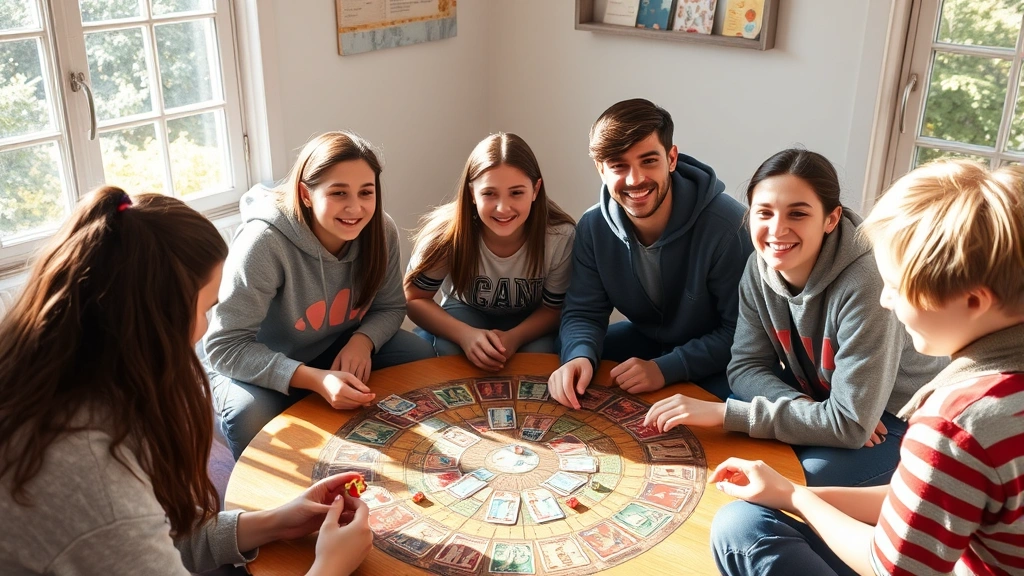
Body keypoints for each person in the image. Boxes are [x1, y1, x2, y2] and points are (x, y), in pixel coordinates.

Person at [0, 187, 373, 575]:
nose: (204, 328)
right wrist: (330, 566)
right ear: (159, 318)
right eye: (206, 308)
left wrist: (278, 520)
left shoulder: (69, 388)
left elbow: (157, 536)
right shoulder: (89, 474)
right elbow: (119, 529)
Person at [708, 160, 1024, 575]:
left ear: (973, 301)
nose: (885, 302)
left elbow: (893, 566)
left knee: (741, 527)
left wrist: (800, 498)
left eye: (896, 287)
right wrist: (789, 493)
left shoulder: (957, 423)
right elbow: (924, 501)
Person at [642, 149, 946, 487]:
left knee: (795, 475)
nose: (777, 230)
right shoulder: (759, 268)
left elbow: (851, 426)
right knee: (732, 436)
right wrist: (808, 407)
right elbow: (744, 367)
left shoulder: (867, 282)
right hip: (827, 399)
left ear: (831, 219)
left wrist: (726, 414)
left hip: (898, 420)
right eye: (764, 213)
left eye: (797, 214)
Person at [204, 131, 435, 458]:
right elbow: (225, 346)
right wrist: (314, 379)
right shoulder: (263, 243)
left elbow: (390, 306)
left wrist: (363, 341)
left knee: (418, 355)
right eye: (338, 192)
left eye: (366, 192)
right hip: (257, 361)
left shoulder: (381, 230)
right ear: (306, 194)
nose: (354, 207)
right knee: (247, 416)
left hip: (334, 345)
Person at [549, 98, 751, 406]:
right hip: (647, 341)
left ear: (671, 158)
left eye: (648, 161)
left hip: (720, 357)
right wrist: (579, 356)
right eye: (619, 165)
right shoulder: (593, 227)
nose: (635, 179)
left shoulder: (728, 227)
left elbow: (742, 332)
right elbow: (583, 312)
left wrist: (666, 368)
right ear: (600, 169)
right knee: (563, 364)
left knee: (741, 421)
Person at [406, 132, 576, 370]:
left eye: (516, 193)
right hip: (465, 311)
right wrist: (465, 335)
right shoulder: (446, 234)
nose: (502, 207)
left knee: (539, 358)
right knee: (451, 352)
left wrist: (515, 338)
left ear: (536, 189)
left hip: (530, 318)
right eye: (489, 193)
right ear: (471, 193)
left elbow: (554, 308)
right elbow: (414, 298)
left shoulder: (559, 237)